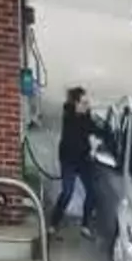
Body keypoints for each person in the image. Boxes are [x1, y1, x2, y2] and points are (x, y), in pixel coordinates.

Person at [49, 87, 101, 239]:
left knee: (91, 192)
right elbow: (79, 134)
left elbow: (95, 129)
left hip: (83, 160)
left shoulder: (86, 116)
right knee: (67, 192)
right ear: (76, 103)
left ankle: (85, 225)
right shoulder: (69, 117)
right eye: (84, 102)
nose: (87, 105)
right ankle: (53, 223)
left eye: (87, 103)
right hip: (69, 160)